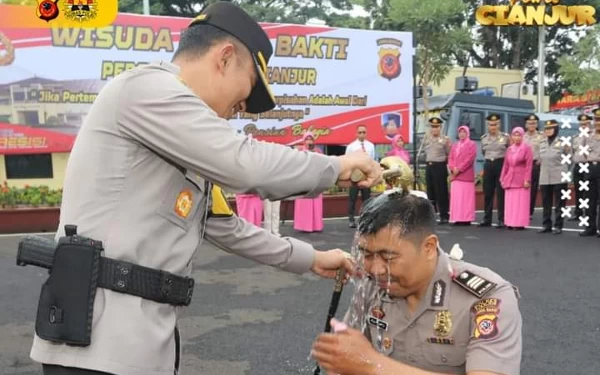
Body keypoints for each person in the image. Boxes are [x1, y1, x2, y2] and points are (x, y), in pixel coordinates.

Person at [29, 3, 382, 375]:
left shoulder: (184, 138)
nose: (242, 109)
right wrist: (338, 165)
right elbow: (243, 164)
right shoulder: (146, 89)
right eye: (247, 92)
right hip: (95, 346)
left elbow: (224, 226)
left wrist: (310, 258)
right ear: (225, 58)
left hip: (141, 346)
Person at [311, 189, 522, 375]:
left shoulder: (486, 297)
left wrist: (373, 366)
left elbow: (362, 362)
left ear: (429, 247)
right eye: (366, 255)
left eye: (388, 257)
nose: (376, 270)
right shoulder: (372, 285)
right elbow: (345, 360)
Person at [538, 119, 570, 235]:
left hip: (559, 175)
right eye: (546, 129)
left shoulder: (563, 142)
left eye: (551, 128)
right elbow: (539, 159)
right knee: (546, 202)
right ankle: (546, 224)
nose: (548, 131)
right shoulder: (541, 143)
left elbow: (570, 159)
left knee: (559, 203)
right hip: (545, 176)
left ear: (556, 129)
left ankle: (558, 225)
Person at [479, 114, 509, 229]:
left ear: (499, 124)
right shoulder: (484, 138)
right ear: (488, 125)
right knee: (487, 193)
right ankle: (487, 218)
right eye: (491, 125)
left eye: (495, 124)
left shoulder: (505, 137)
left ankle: (502, 219)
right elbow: (483, 152)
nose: (493, 127)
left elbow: (509, 151)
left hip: (500, 164)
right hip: (488, 165)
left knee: (501, 194)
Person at [500, 127, 534, 230]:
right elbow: (505, 165)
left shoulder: (527, 148)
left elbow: (529, 165)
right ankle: (510, 222)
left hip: (521, 177)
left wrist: (527, 179)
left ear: (522, 136)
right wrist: (502, 178)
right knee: (510, 202)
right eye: (514, 135)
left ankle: (519, 223)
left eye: (519, 135)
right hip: (510, 177)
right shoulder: (510, 149)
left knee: (520, 202)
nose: (517, 137)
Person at [346, 124, 376, 228]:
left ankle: (365, 219)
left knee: (366, 199)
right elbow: (347, 161)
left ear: (366, 133)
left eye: (364, 132)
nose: (362, 134)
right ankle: (351, 219)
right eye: (360, 132)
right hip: (354, 176)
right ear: (356, 133)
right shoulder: (351, 146)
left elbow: (373, 161)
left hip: (366, 176)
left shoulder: (371, 146)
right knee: (352, 198)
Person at [294, 132, 324, 232]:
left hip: (316, 181)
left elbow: (323, 165)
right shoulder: (299, 151)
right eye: (307, 139)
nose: (309, 141)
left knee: (315, 202)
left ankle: (316, 226)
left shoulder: (318, 151)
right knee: (304, 203)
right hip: (303, 181)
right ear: (304, 140)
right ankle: (304, 225)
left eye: (311, 139)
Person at [423, 117, 451, 224]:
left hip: (440, 166)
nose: (434, 129)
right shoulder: (426, 139)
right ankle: (432, 215)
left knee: (441, 191)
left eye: (437, 127)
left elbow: (449, 153)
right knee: (430, 191)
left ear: (440, 127)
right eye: (433, 127)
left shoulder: (445, 140)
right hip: (429, 166)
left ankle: (444, 215)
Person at [448, 125, 477, 225]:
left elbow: (470, 159)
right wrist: (452, 168)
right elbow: (450, 158)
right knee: (457, 198)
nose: (462, 134)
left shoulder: (471, 144)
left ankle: (466, 218)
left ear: (467, 133)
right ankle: (457, 217)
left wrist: (459, 169)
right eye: (460, 132)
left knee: (466, 199)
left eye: (464, 132)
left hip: (466, 175)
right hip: (455, 176)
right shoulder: (455, 145)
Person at [580, 107, 600, 238]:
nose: (598, 122)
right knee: (589, 200)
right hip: (591, 167)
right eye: (596, 119)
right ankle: (590, 227)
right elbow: (584, 151)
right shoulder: (588, 135)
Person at [571, 114, 593, 223]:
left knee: (590, 192)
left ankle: (589, 213)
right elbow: (573, 152)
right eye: (581, 124)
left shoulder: (594, 136)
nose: (583, 126)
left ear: (590, 124)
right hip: (578, 165)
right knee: (578, 191)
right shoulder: (576, 137)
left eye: (586, 124)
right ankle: (578, 212)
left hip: (589, 166)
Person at [522, 114, 543, 218]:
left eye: (534, 123)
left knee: (533, 189)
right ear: (526, 124)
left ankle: (529, 212)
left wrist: (541, 160)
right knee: (521, 188)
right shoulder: (521, 136)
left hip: (535, 165)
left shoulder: (542, 136)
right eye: (529, 123)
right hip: (522, 165)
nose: (532, 125)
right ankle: (521, 208)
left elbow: (544, 150)